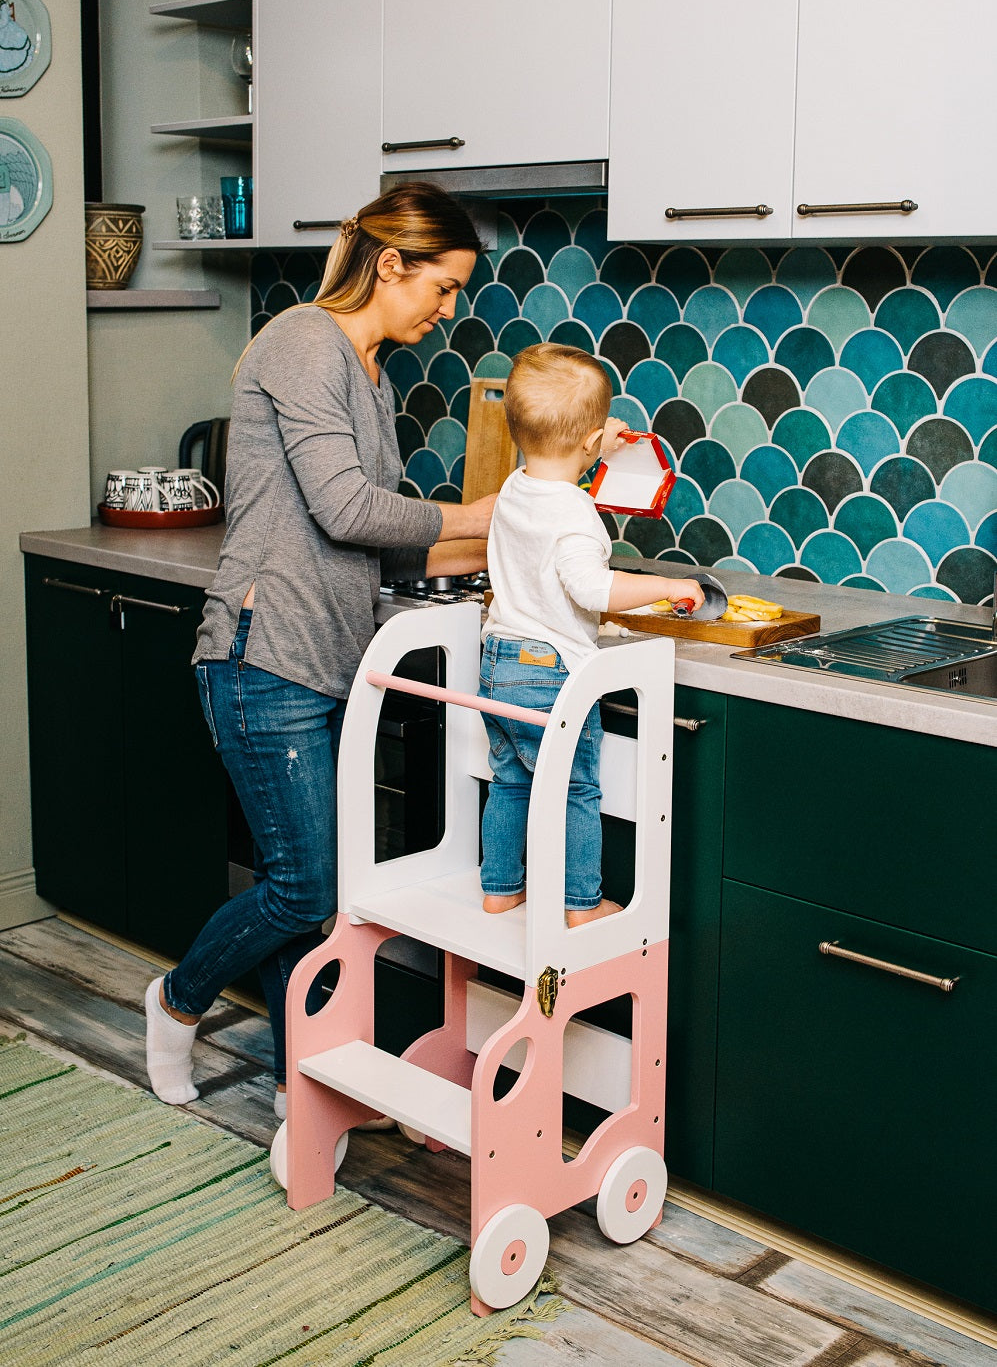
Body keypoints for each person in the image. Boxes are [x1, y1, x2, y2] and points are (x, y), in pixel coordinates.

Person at [145, 182, 494, 1115]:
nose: (448, 310)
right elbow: (346, 508)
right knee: (305, 888)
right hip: (264, 654)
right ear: (393, 264)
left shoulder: (369, 372)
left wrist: (531, 515)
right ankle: (176, 1003)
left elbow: (387, 535)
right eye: (445, 287)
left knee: (313, 891)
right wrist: (478, 513)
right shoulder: (302, 341)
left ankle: (304, 1079)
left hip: (330, 657)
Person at [478, 342, 704, 925]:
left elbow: (567, 458)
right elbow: (593, 590)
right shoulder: (576, 513)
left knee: (510, 781)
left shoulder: (513, 489)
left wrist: (598, 438)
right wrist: (667, 588)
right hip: (549, 672)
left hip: (498, 661)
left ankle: (500, 888)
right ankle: (580, 904)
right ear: (588, 441)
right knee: (577, 788)